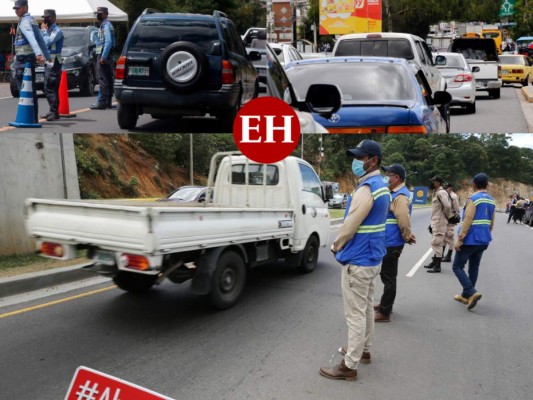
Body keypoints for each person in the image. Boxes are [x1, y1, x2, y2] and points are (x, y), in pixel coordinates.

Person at [319, 140, 390, 381]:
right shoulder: (382, 185)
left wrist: (336, 245)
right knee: (367, 308)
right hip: (372, 258)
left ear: (374, 161)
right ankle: (364, 351)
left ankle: (349, 366)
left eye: (361, 158)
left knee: (355, 314)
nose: (357, 162)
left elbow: (350, 224)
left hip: (358, 259)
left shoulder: (367, 188)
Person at [374, 163, 416, 323]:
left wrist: (406, 236)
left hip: (392, 242)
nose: (386, 177)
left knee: (389, 276)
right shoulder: (395, 193)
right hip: (388, 240)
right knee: (386, 274)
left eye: (388, 175)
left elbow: (403, 219)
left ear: (396, 178)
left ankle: (385, 312)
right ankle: (385, 304)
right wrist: (408, 235)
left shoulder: (400, 196)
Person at [452, 173, 495, 310]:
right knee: (474, 267)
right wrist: (486, 234)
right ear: (487, 184)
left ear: (474, 185)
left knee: (457, 266)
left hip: (471, 239)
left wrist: (460, 240)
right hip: (484, 239)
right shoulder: (491, 200)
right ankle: (466, 296)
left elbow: (467, 221)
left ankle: (472, 292)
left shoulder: (474, 199)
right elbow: (491, 223)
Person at [12, 0, 51, 122]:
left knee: (23, 88)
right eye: (15, 8)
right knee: (30, 87)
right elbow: (40, 39)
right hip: (28, 58)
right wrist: (47, 55)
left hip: (23, 58)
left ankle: (27, 115)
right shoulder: (32, 20)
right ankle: (33, 116)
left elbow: (31, 37)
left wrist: (39, 54)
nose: (16, 10)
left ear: (25, 8)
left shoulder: (25, 22)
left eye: (18, 8)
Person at [424, 176, 451, 273]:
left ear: (437, 183)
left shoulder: (441, 192)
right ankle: (434, 262)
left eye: (433, 182)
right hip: (436, 221)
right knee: (435, 242)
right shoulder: (436, 192)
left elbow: (447, 206)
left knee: (437, 243)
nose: (431, 184)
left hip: (440, 221)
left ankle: (437, 266)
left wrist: (446, 217)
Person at [40, 9, 63, 121]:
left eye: (47, 17)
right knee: (47, 86)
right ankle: (52, 110)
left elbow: (47, 42)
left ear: (53, 18)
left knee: (51, 85)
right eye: (44, 17)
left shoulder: (57, 31)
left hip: (55, 62)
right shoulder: (47, 30)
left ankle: (54, 112)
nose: (45, 19)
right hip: (48, 61)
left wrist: (44, 31)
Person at [90, 6, 115, 110]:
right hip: (106, 54)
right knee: (108, 78)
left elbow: (108, 42)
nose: (98, 15)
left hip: (104, 55)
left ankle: (103, 102)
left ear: (105, 14)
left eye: (100, 13)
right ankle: (107, 101)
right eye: (97, 13)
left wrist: (103, 56)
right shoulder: (105, 25)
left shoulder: (106, 26)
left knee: (103, 79)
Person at [442, 182, 460, 262]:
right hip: (445, 218)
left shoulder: (453, 196)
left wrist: (453, 215)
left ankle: (449, 255)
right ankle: (441, 255)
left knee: (449, 236)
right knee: (444, 237)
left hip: (450, 218)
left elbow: (456, 209)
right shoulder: (446, 194)